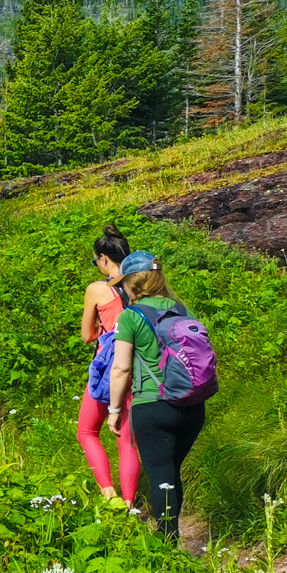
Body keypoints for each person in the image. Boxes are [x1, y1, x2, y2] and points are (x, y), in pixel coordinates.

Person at [108, 251, 204, 538]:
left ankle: (166, 548)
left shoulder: (131, 316)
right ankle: (171, 537)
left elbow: (121, 368)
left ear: (132, 283)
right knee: (171, 471)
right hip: (191, 405)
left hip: (152, 405)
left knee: (161, 475)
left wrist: (114, 410)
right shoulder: (182, 310)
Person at [78, 225, 140, 502]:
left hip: (107, 368)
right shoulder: (140, 285)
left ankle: (108, 494)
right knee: (127, 443)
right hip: (139, 367)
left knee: (87, 431)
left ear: (104, 258)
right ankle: (130, 504)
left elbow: (86, 336)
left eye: (96, 261)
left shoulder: (97, 289)